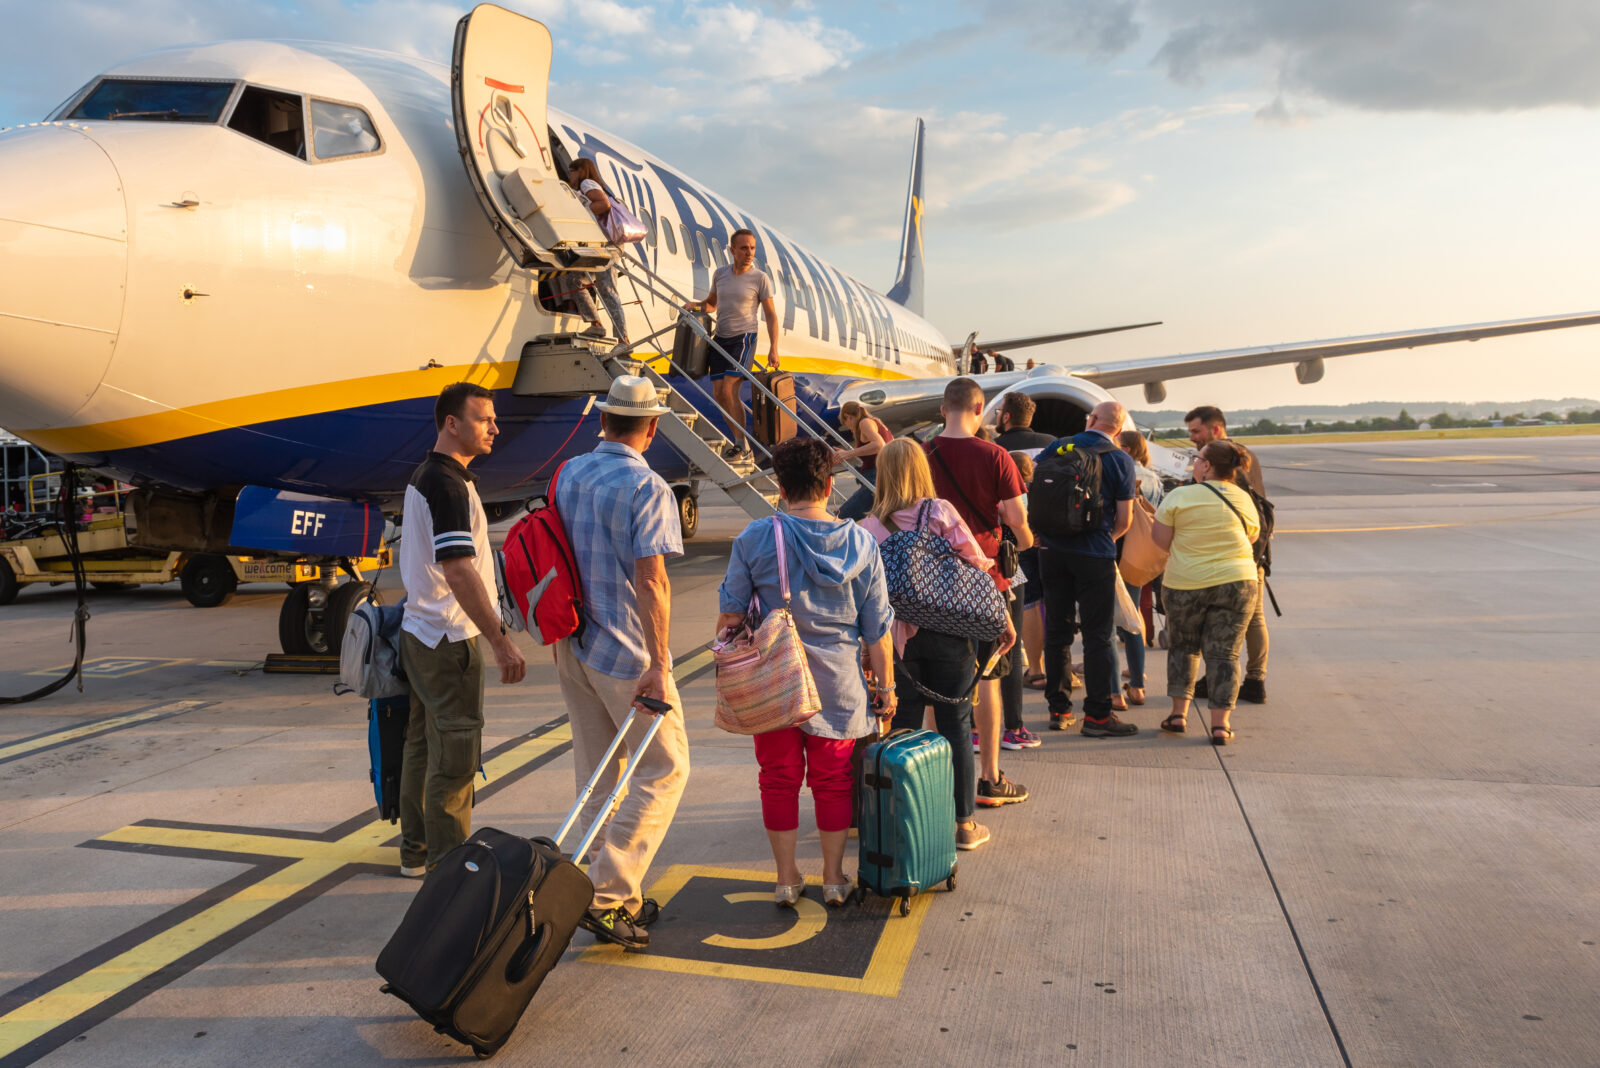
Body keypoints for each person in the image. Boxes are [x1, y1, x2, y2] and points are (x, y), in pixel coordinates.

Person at [718, 438, 895, 905]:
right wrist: (887, 688)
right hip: (839, 684)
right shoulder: (861, 542)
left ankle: (785, 878)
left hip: (773, 683)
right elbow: (877, 630)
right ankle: (834, 879)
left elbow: (731, 617)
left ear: (780, 487)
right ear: (830, 486)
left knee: (777, 778)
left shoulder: (755, 537)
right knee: (833, 781)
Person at [553, 376, 691, 950]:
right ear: (652, 427)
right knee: (665, 769)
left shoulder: (569, 473)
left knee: (596, 773)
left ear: (603, 421)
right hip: (625, 654)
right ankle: (610, 898)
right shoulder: (647, 486)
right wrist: (660, 662)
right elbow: (651, 578)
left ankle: (609, 895)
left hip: (572, 643)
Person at [398, 383, 528, 877]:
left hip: (419, 630)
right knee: (454, 758)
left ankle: (416, 851)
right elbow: (458, 570)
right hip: (448, 638)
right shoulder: (449, 485)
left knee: (420, 747)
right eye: (483, 419)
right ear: (452, 424)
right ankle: (449, 869)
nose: (495, 427)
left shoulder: (426, 475)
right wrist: (500, 640)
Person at [860, 439, 994, 850]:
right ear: (922, 471)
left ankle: (905, 823)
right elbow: (977, 563)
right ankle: (964, 824)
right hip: (949, 633)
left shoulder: (870, 527)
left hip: (896, 643)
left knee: (902, 730)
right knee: (955, 727)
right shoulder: (940, 512)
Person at [924, 378, 1030, 806]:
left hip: (930, 583)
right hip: (985, 582)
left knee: (933, 682)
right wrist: (1022, 541)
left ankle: (935, 779)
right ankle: (988, 777)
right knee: (987, 677)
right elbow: (1018, 525)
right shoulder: (995, 455)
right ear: (980, 408)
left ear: (942, 408)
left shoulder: (921, 454)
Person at [1037, 400, 1140, 737]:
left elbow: (1034, 492)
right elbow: (1125, 520)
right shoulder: (1120, 460)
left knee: (1057, 632)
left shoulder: (1056, 447)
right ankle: (1097, 716)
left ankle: (1059, 708)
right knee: (1098, 635)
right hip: (1095, 555)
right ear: (1119, 429)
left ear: (1091, 419)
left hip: (1051, 551)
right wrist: (1102, 541)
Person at [1150, 441, 1261, 745]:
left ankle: (1177, 715)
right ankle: (1221, 725)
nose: (1194, 463)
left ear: (1207, 465)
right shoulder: (1243, 497)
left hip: (1186, 582)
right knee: (1225, 654)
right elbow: (1252, 535)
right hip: (1238, 582)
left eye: (1197, 459)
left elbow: (1160, 539)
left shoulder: (1180, 495)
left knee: (1183, 648)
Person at [1185, 406, 1268, 703]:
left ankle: (1217, 677)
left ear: (1215, 429)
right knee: (1255, 619)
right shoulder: (1247, 455)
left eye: (1196, 431)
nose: (1192, 438)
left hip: (1227, 556)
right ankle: (1256, 680)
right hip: (1254, 553)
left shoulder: (1224, 461)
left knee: (1217, 620)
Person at [685, 228, 780, 459]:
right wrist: (695, 306)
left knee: (729, 388)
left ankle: (741, 443)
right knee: (719, 393)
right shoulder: (720, 274)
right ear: (732, 250)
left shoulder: (760, 278)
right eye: (744, 248)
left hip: (744, 337)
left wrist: (773, 348)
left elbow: (771, 315)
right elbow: (711, 304)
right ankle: (741, 444)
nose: (749, 253)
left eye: (752, 248)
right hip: (722, 337)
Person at [1110, 430, 1162, 710]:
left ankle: (1114, 690)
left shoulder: (1119, 470)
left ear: (1126, 450)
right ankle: (1138, 684)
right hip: (1139, 552)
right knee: (1134, 619)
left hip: (1116, 551)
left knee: (1107, 623)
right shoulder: (1152, 476)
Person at [566, 157, 629, 344]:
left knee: (608, 289)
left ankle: (623, 339)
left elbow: (603, 204)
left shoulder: (586, 183)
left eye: (571, 171)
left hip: (608, 246)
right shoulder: (587, 185)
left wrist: (581, 213)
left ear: (580, 171)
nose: (570, 176)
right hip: (601, 246)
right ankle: (596, 324)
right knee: (575, 279)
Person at [834, 400, 891, 521]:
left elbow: (879, 444)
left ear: (848, 417)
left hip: (875, 478)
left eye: (847, 424)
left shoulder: (864, 423)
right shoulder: (876, 422)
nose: (849, 429)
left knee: (839, 518)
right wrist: (846, 453)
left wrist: (848, 453)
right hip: (882, 476)